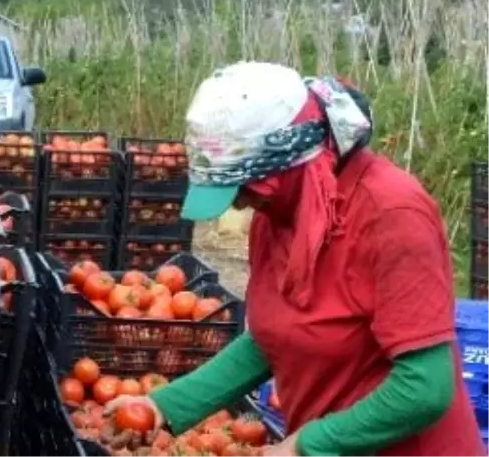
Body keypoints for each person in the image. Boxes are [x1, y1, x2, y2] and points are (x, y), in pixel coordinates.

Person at [104, 61, 484, 456]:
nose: (238, 203)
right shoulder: (278, 216)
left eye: (243, 187)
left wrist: (308, 443)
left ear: (287, 166)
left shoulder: (391, 213)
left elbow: (425, 387)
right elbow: (274, 339)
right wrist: (164, 405)